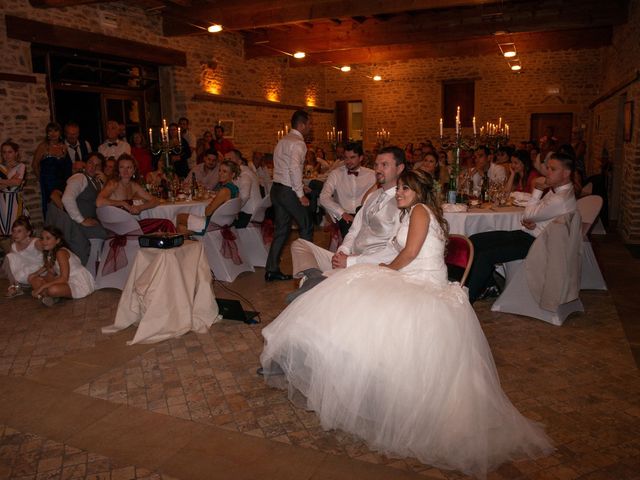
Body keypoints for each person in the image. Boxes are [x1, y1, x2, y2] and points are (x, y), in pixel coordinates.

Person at [260, 169, 553, 478]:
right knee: (353, 298)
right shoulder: (412, 213)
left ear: (420, 192)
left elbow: (410, 253)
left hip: (423, 285)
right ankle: (366, 386)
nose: (399, 192)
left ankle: (375, 391)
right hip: (411, 277)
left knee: (362, 299)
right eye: (398, 188)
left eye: (405, 189)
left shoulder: (420, 213)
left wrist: (384, 269)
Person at [290, 146, 404, 293]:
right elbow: (355, 229)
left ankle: (320, 285)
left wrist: (351, 261)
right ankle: (314, 279)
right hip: (351, 256)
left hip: (371, 264)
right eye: (376, 165)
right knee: (300, 245)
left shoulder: (403, 201)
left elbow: (395, 250)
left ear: (400, 168)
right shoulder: (372, 196)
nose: (378, 169)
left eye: (384, 165)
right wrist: (343, 251)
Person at [467, 152, 577, 302]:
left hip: (537, 244)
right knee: (475, 240)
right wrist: (534, 221)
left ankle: (468, 298)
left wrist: (537, 190)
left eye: (553, 169)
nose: (547, 172)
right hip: (531, 234)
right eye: (548, 168)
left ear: (566, 173)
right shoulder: (560, 192)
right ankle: (488, 286)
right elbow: (537, 214)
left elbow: (528, 214)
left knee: (485, 255)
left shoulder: (560, 199)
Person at [265, 110, 314, 281]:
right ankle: (308, 272)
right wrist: (300, 194)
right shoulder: (299, 143)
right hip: (287, 191)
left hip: (277, 190)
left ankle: (271, 270)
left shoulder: (283, 140)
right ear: (301, 125)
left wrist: (300, 187)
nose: (311, 127)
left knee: (282, 230)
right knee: (306, 226)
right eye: (309, 124)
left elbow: (283, 167)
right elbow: (294, 168)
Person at [54, 152, 108, 265]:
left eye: (97, 165)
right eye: (90, 163)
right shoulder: (79, 177)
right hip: (76, 224)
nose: (93, 167)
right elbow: (67, 199)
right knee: (103, 235)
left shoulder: (97, 181)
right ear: (85, 164)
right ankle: (92, 271)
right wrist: (81, 220)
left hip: (93, 221)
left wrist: (106, 181)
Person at [319, 142, 376, 238]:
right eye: (346, 158)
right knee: (350, 233)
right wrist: (342, 212)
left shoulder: (372, 175)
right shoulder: (336, 174)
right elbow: (323, 197)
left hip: (365, 214)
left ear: (361, 158)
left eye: (352, 157)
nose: (348, 161)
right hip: (344, 215)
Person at [28, 225, 94, 306]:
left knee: (52, 290)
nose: (44, 242)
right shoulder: (50, 252)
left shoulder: (61, 252)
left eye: (48, 238)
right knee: (34, 279)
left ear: (57, 240)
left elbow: (64, 278)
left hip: (77, 281)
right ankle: (51, 297)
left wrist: (41, 287)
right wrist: (34, 275)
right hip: (64, 280)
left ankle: (49, 295)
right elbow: (46, 266)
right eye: (42, 238)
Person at [175, 160, 240, 235]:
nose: (220, 173)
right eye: (220, 170)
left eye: (224, 171)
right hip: (224, 224)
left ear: (232, 175)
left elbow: (208, 212)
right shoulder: (236, 189)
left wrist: (209, 205)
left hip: (211, 225)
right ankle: (195, 245)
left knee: (179, 216)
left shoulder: (224, 191)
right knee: (182, 228)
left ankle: (180, 243)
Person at [32, 122, 69, 219]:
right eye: (50, 131)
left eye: (56, 131)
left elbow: (66, 166)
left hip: (61, 181)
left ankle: (64, 225)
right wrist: (41, 179)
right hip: (48, 181)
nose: (53, 133)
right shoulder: (43, 146)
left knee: (63, 200)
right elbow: (35, 164)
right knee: (51, 205)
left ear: (60, 133)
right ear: (47, 133)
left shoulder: (64, 147)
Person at [3, 216, 42, 297]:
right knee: (9, 257)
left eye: (19, 231)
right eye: (14, 231)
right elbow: (10, 264)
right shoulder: (14, 246)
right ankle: (16, 286)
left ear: (28, 232)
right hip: (25, 270)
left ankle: (37, 288)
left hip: (39, 270)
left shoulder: (35, 242)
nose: (15, 234)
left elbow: (49, 254)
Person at [225, 149, 261, 228]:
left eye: (230, 159)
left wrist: (235, 211)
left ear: (239, 161)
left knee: (222, 221)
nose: (227, 162)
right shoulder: (241, 171)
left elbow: (245, 196)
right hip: (254, 211)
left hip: (249, 214)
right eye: (226, 160)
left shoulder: (244, 174)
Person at [0, 140, 27, 236]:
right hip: (1, 202)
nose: (7, 155)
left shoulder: (21, 166)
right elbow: (14, 182)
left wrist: (3, 182)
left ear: (16, 153)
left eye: (10, 152)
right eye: (4, 152)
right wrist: (11, 181)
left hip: (15, 201)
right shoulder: (0, 167)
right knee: (3, 232)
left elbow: (17, 182)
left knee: (16, 232)